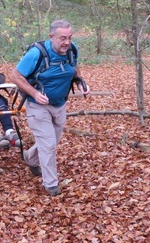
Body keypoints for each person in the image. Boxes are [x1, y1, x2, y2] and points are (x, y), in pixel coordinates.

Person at [11, 20, 90, 196]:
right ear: (51, 37)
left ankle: (30, 158)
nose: (67, 42)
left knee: (51, 142)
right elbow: (15, 76)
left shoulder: (71, 50)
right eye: (63, 38)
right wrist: (33, 93)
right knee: (48, 145)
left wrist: (80, 83)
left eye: (69, 37)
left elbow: (74, 67)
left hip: (60, 104)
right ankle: (51, 184)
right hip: (38, 106)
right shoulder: (36, 54)